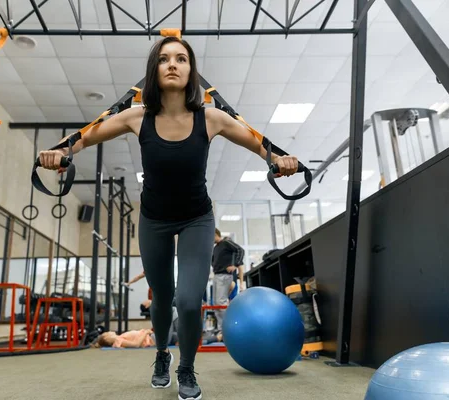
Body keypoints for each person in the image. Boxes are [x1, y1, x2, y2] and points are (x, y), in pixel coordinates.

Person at [38, 35, 299, 400]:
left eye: (181, 59)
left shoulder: (210, 117)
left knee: (189, 300)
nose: (173, 64)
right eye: (164, 59)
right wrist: (58, 151)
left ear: (192, 70)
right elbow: (85, 137)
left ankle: (187, 367)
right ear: (154, 70)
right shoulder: (136, 116)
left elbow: (259, 143)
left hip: (197, 219)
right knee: (162, 297)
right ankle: (161, 353)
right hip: (154, 220)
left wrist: (279, 160)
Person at [211, 229, 245, 332]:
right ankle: (222, 329)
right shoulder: (215, 248)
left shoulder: (226, 243)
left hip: (225, 276)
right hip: (217, 276)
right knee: (216, 305)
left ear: (216, 234)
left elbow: (240, 250)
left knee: (221, 303)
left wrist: (235, 264)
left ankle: (227, 329)